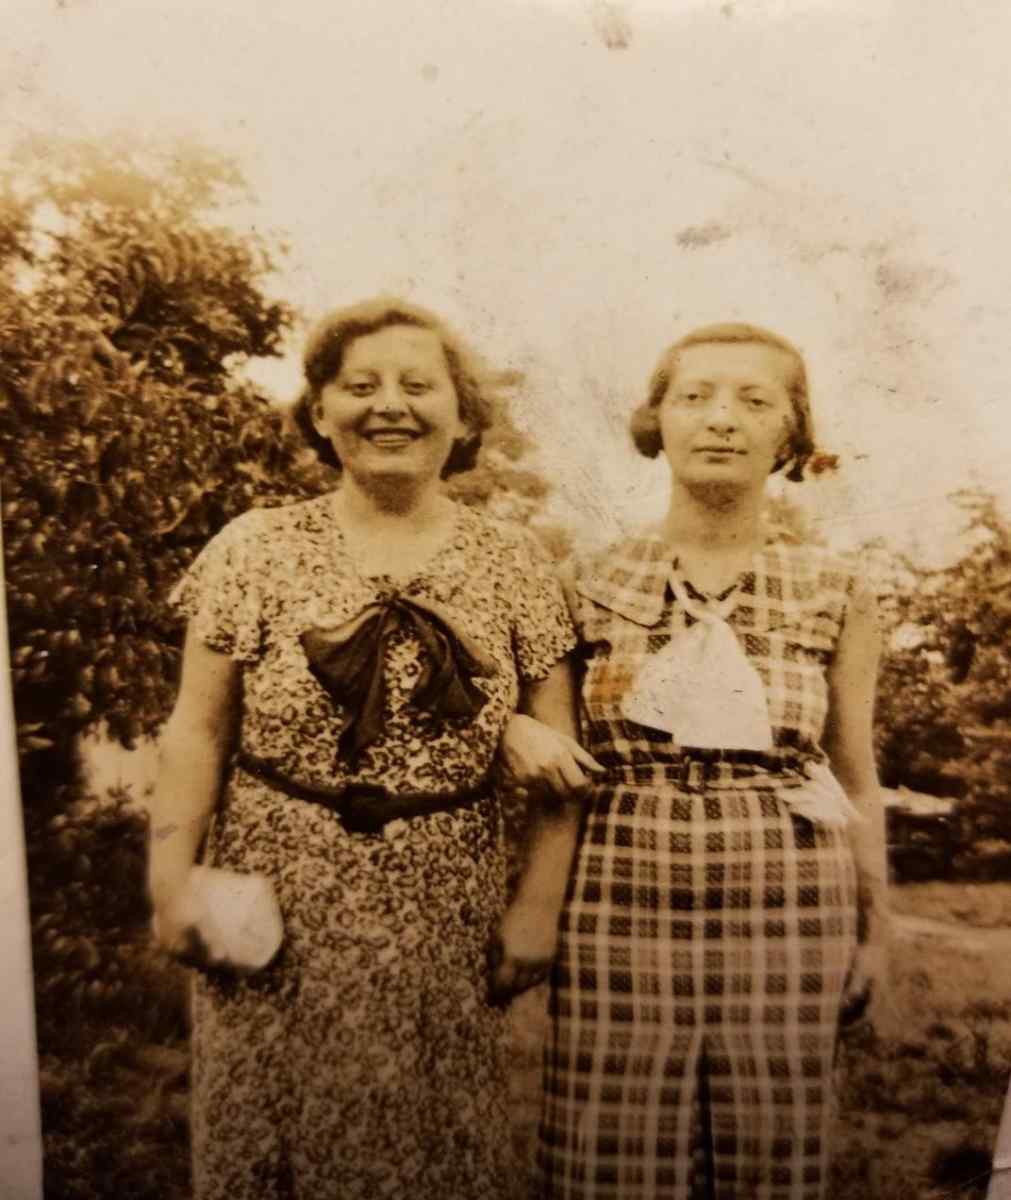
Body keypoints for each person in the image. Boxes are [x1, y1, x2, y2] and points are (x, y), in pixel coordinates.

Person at [146, 297, 595, 1200]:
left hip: (443, 912)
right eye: (360, 386)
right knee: (263, 1146)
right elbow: (197, 729)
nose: (389, 405)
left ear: (462, 417)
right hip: (274, 902)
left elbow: (562, 759)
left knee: (428, 1153)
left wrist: (537, 907)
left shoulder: (515, 563)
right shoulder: (254, 548)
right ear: (320, 413)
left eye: (417, 385)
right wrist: (169, 882)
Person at [537, 323, 891, 1200]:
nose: (721, 419)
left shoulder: (837, 589)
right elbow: (556, 765)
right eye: (693, 397)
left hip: (790, 902)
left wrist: (876, 932)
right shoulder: (583, 579)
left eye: (753, 400)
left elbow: (855, 774)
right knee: (608, 1162)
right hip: (618, 894)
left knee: (768, 1162)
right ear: (655, 421)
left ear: (790, 432)